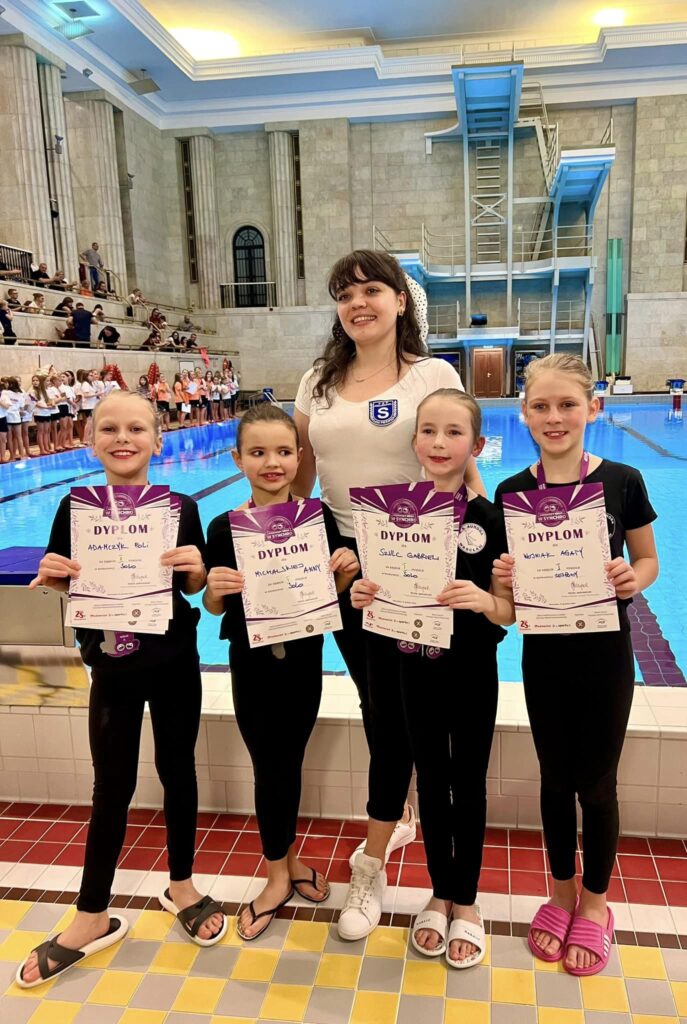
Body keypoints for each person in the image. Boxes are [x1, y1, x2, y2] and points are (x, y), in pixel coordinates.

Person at [293, 249, 485, 937]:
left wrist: (485, 543)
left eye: (372, 289)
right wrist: (271, 552)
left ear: (401, 300)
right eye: (345, 293)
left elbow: (458, 461)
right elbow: (299, 476)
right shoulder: (316, 381)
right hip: (345, 561)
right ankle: (393, 824)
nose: (358, 303)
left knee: (411, 710)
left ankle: (377, 858)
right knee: (377, 703)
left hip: (416, 559)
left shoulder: (431, 375)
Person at [16, 389, 225, 988]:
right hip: (111, 665)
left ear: (158, 440)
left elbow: (194, 589)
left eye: (136, 428)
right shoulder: (73, 508)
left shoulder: (182, 507)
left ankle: (181, 886)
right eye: (109, 428)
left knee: (178, 772)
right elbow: (67, 583)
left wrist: (197, 569)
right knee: (111, 785)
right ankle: (91, 914)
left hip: (173, 660)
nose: (123, 438)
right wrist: (54, 579)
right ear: (91, 441)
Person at [493, 353, 659, 977]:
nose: (554, 416)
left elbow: (648, 560)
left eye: (567, 404)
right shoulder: (513, 492)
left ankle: (595, 903)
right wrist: (502, 578)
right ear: (524, 414)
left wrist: (633, 579)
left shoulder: (623, 480)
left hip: (605, 656)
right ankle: (560, 893)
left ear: (593, 408)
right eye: (541, 406)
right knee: (555, 781)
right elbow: (509, 601)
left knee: (598, 785)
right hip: (545, 656)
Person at [350, 389, 514, 959]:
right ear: (414, 440)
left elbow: (509, 610)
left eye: (453, 432)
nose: (439, 443)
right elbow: (375, 592)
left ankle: (466, 901)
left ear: (477, 445)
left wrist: (483, 600)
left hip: (471, 670)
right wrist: (362, 593)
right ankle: (440, 892)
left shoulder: (492, 519)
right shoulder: (387, 513)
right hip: (411, 668)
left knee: (468, 783)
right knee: (430, 781)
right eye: (428, 431)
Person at [204, 404, 359, 940]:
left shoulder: (318, 521)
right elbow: (214, 606)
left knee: (287, 763)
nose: (272, 463)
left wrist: (344, 573)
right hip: (252, 663)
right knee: (268, 765)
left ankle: (289, 861)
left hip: (303, 660)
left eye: (283, 452)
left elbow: (327, 596)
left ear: (299, 457)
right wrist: (214, 590)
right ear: (238, 459)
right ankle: (275, 876)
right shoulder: (224, 527)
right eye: (258, 452)